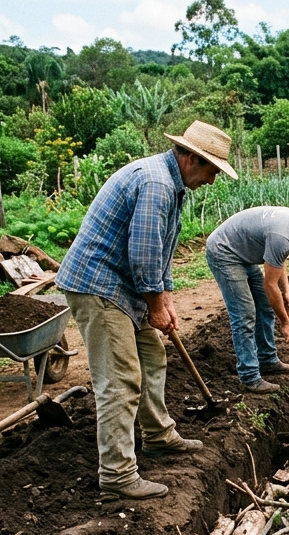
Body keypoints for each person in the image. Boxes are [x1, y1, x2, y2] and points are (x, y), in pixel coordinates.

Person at [56, 121, 237, 500]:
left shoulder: (172, 185)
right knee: (120, 380)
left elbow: (162, 251)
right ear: (191, 159)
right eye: (211, 171)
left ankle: (157, 436)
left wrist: (165, 300)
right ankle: (118, 475)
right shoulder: (155, 183)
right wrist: (154, 305)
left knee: (152, 358)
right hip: (100, 287)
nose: (212, 180)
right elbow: (143, 254)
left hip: (125, 287)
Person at [205, 202, 289, 393]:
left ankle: (267, 360)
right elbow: (270, 285)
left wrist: (287, 292)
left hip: (242, 252)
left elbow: (279, 259)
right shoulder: (282, 234)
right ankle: (249, 376)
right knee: (245, 314)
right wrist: (285, 322)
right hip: (224, 251)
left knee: (265, 305)